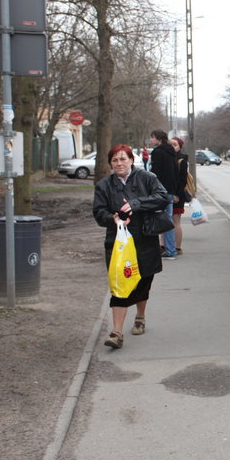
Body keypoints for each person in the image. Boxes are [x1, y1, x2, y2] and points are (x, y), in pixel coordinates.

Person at [93, 144, 169, 349]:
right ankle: (117, 332)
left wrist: (136, 203)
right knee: (120, 284)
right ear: (110, 163)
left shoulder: (147, 178)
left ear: (131, 160)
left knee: (142, 281)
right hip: (117, 243)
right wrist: (113, 218)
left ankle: (140, 317)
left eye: (123, 159)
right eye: (115, 160)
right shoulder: (103, 186)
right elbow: (98, 213)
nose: (119, 163)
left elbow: (163, 198)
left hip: (144, 239)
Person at [149, 129, 178, 259]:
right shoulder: (171, 151)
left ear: (159, 139)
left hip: (160, 191)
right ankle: (170, 249)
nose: (151, 140)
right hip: (170, 190)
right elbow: (174, 172)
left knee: (161, 221)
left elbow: (155, 174)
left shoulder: (157, 152)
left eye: (152, 137)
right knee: (168, 220)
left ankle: (169, 251)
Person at [170, 137, 189, 255]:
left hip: (177, 196)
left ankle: (177, 247)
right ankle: (166, 245)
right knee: (167, 222)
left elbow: (182, 180)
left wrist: (176, 194)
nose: (172, 146)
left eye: (175, 145)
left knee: (176, 222)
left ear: (180, 147)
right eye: (170, 144)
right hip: (169, 194)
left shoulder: (182, 160)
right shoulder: (168, 158)